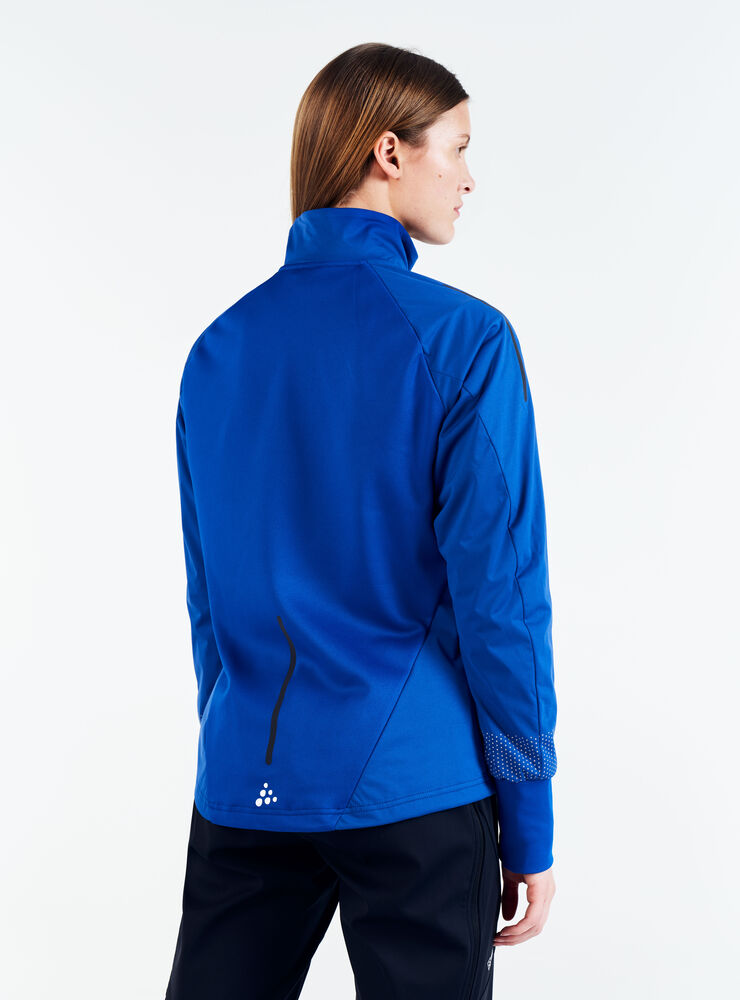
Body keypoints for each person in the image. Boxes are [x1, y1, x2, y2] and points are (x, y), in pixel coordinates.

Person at [165, 42, 558, 1000]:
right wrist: (530, 817)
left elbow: (211, 602)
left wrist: (242, 739)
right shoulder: (463, 340)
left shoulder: (217, 350)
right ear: (389, 151)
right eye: (456, 148)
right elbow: (501, 603)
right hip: (415, 787)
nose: (468, 178)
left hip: (248, 783)